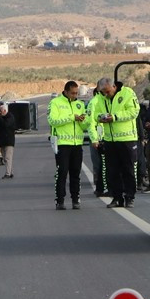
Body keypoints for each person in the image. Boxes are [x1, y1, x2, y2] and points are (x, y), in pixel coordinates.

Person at [93, 77, 140, 208]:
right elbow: (95, 114)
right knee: (112, 171)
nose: (106, 94)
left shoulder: (127, 93)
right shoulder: (101, 98)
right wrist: (101, 117)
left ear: (114, 86)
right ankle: (117, 197)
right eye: (103, 92)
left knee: (128, 170)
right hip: (109, 140)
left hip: (127, 139)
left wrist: (115, 117)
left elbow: (134, 111)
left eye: (108, 91)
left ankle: (129, 197)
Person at [47, 80, 89, 210]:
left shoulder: (80, 104)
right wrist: (72, 117)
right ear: (65, 91)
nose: (75, 96)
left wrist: (84, 120)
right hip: (62, 144)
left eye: (76, 93)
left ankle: (76, 199)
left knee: (76, 173)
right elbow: (52, 120)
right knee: (62, 173)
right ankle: (60, 201)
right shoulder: (56, 103)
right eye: (72, 93)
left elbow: (84, 125)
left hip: (77, 144)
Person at [86, 87, 109, 198]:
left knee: (106, 165)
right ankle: (101, 188)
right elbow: (90, 123)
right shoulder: (94, 103)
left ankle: (104, 187)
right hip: (99, 139)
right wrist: (95, 139)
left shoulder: (107, 101)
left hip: (108, 137)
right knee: (100, 164)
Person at [0, 103, 17, 179]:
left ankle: (8, 174)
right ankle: (10, 172)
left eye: (1, 110)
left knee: (7, 158)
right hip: (1, 141)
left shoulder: (10, 117)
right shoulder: (0, 118)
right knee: (5, 158)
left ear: (5, 110)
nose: (0, 112)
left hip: (9, 141)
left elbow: (5, 125)